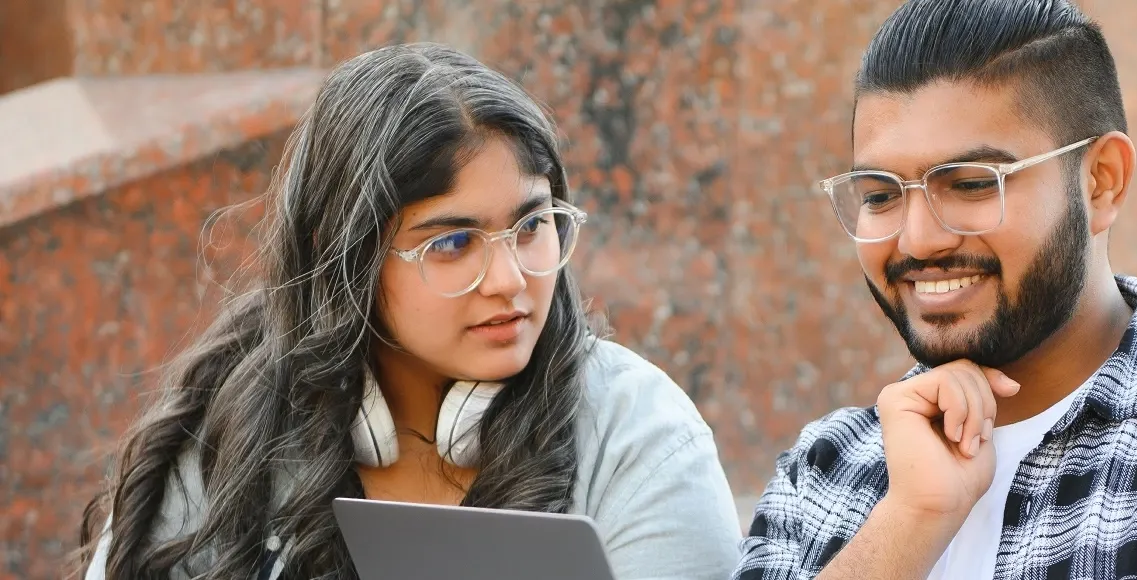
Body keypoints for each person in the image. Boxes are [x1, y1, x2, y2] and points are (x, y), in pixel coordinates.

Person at [735, 1, 1137, 578]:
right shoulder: (824, 470)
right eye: (879, 195)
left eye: (973, 184)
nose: (918, 240)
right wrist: (910, 523)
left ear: (1102, 183)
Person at [75, 43, 741, 579]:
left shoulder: (641, 439)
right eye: (453, 243)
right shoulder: (233, 425)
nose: (510, 279)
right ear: (345, 257)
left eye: (532, 226)